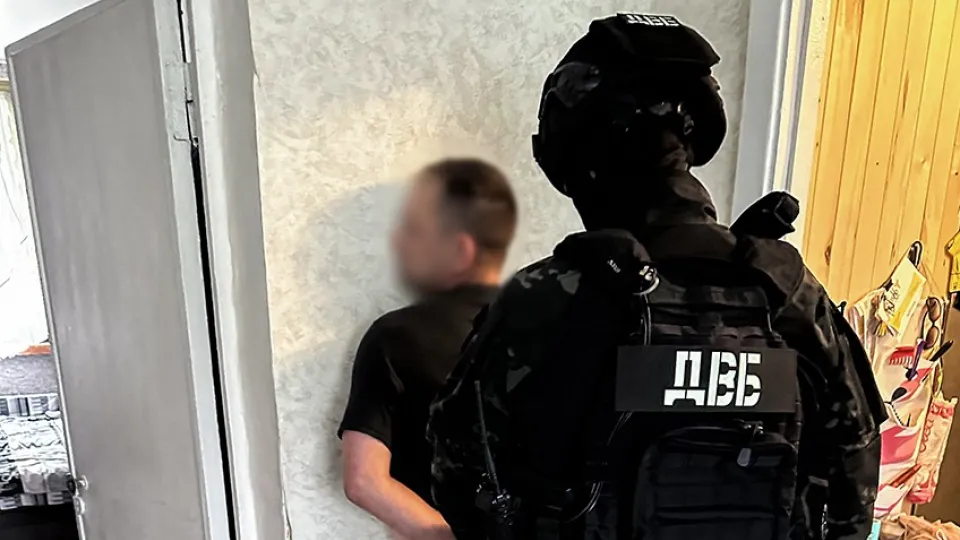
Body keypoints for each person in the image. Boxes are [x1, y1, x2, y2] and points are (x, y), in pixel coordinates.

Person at [427, 14, 886, 540]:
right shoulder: (789, 293)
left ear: (577, 154)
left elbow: (455, 474)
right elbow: (855, 477)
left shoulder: (549, 295)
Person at [338, 158, 518, 539]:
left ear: (460, 249)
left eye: (414, 229)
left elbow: (363, 480)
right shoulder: (550, 324)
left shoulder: (392, 337)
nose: (398, 241)